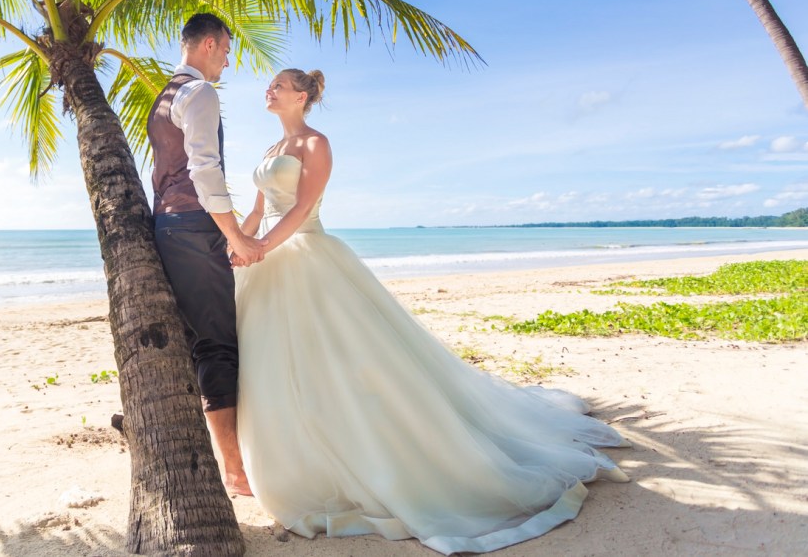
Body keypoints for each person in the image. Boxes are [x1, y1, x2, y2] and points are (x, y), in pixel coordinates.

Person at [233, 68, 629, 555]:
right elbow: (258, 209)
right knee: (274, 363)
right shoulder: (270, 151)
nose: (267, 91)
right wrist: (238, 244)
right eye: (267, 87)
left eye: (277, 86)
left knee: (346, 360)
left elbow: (301, 209)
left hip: (307, 254)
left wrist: (262, 245)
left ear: (301, 95)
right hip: (267, 264)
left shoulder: (317, 144)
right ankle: (294, 463)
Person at [147, 12, 266, 496]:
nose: (228, 61)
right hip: (194, 226)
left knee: (209, 340)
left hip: (174, 225)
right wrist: (234, 236)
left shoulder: (165, 94)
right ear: (212, 44)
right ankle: (236, 473)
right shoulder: (199, 93)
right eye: (228, 50)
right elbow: (204, 171)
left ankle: (239, 462)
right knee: (217, 344)